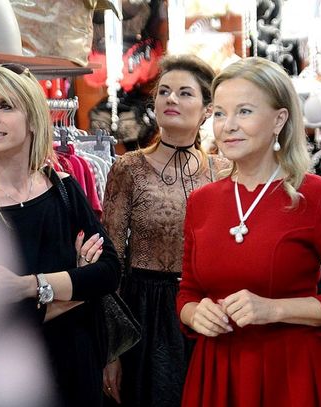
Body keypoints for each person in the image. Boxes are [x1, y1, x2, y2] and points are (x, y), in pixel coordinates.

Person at [177, 56, 321, 406]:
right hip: (218, 372)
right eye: (219, 113)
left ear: (279, 120)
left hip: (292, 375)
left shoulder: (317, 196)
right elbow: (188, 292)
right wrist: (194, 314)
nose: (228, 126)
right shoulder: (201, 201)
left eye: (244, 112)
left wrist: (273, 310)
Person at [0, 63, 120, 407]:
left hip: (75, 367)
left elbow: (109, 272)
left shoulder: (61, 187)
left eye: (4, 106)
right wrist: (77, 287)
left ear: (32, 117)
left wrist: (29, 287)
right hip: (5, 381)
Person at [101, 54, 229, 406]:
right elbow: (110, 263)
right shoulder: (129, 168)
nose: (171, 99)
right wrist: (111, 350)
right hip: (146, 311)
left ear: (207, 110)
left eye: (185, 93)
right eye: (164, 91)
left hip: (209, 308)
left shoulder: (224, 170)